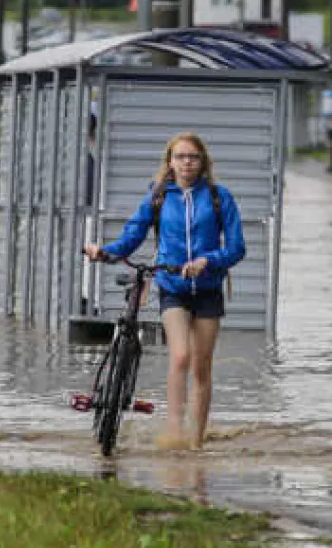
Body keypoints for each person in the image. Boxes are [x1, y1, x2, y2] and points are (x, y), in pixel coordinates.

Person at [83, 132, 246, 450]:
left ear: (202, 163)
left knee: (201, 365)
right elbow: (133, 234)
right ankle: (174, 434)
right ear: (170, 162)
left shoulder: (219, 197)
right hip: (172, 286)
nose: (187, 162)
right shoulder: (158, 196)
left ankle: (195, 442)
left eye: (193, 157)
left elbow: (237, 248)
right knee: (181, 355)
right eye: (181, 157)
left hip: (209, 288)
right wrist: (105, 252)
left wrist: (207, 260)